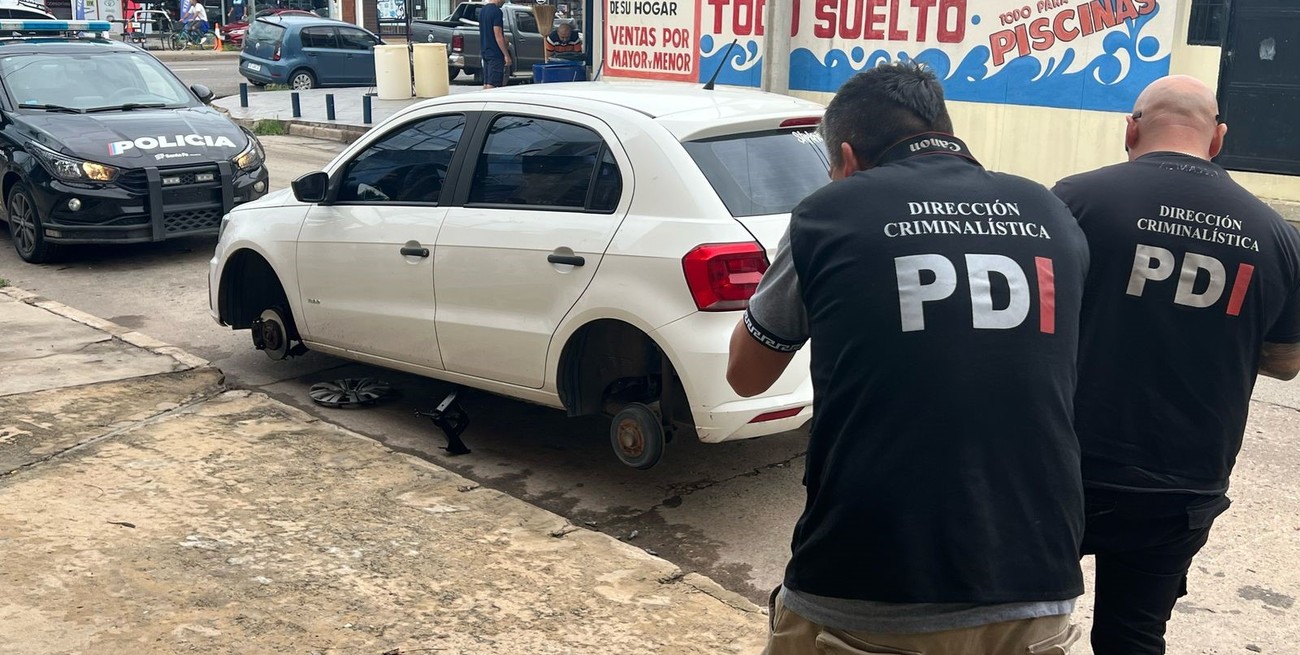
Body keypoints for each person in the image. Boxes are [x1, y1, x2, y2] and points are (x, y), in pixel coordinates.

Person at [727, 61, 1090, 655]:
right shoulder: (1051, 214)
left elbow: (746, 375)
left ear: (846, 157)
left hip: (867, 586)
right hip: (1035, 580)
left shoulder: (827, 215)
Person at [1052, 75, 1300, 655]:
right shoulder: (1276, 235)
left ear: (1131, 129)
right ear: (1218, 139)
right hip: (1184, 481)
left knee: (1027, 619)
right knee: (1135, 635)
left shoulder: (1076, 200)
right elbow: (1286, 363)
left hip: (1065, 468)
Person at [478, 0, 510, 89]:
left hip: (485, 51)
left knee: (487, 82)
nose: (504, 2)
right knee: (492, 84)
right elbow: (498, 35)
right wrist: (506, 55)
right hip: (495, 53)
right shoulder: (497, 12)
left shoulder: (482, 10)